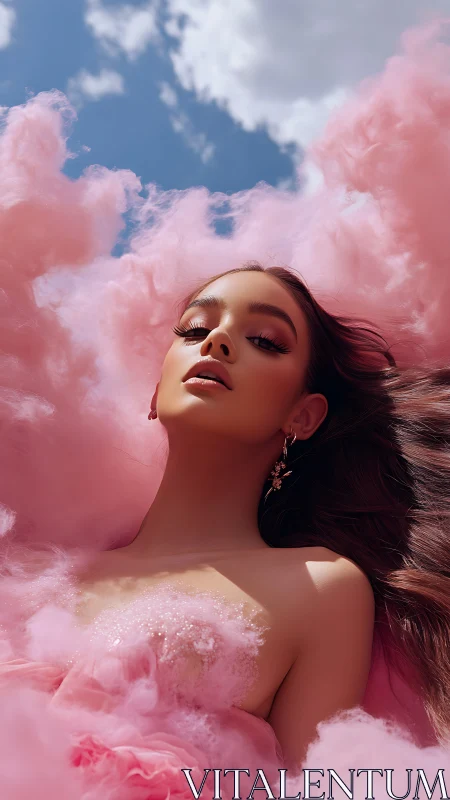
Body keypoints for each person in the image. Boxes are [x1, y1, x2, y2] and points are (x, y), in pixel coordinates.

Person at [0, 261, 449, 798]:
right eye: (194, 330)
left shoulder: (321, 586)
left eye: (264, 340)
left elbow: (319, 786)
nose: (216, 341)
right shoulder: (34, 571)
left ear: (303, 416)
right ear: (156, 392)